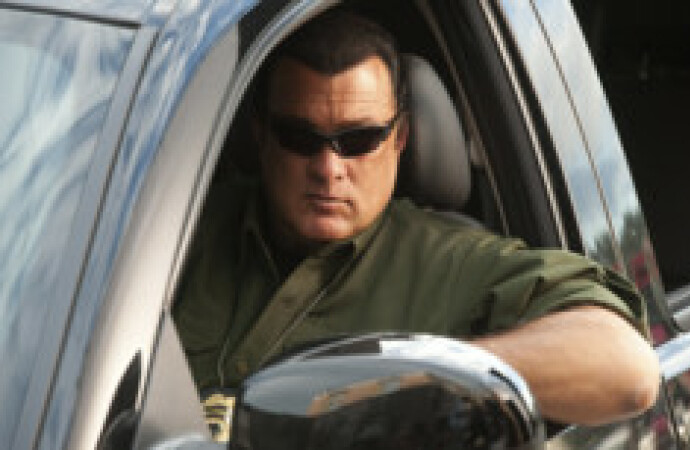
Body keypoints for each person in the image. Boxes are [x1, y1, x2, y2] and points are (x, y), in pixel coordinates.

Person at [174, 9, 660, 427]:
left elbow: (628, 368)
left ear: (400, 139)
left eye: (359, 140)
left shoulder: (453, 262)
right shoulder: (177, 227)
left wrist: (416, 376)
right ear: (260, 134)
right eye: (300, 138)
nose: (328, 168)